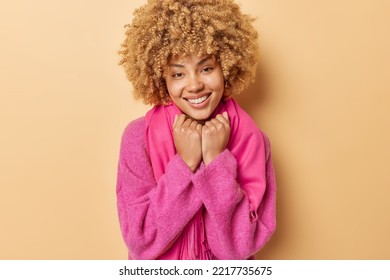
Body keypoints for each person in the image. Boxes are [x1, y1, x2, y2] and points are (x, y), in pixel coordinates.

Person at [116, 0, 276, 260]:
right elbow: (142, 242)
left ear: (226, 67)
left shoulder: (254, 141)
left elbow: (237, 250)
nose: (194, 85)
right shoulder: (138, 138)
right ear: (161, 79)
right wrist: (185, 163)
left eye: (206, 68)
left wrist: (216, 163)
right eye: (178, 74)